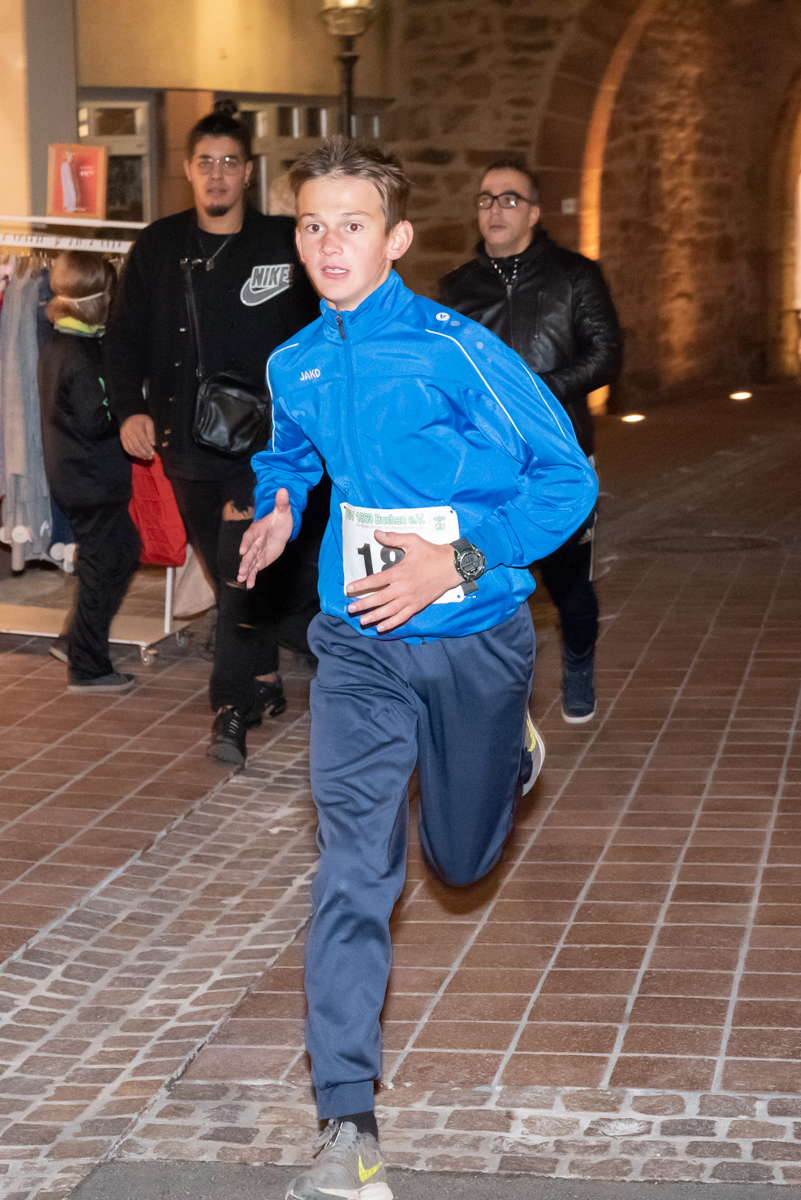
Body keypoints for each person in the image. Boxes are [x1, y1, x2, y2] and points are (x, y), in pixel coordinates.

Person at [237, 136, 598, 1200]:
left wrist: (459, 559)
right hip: (358, 642)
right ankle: (346, 1121)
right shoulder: (294, 361)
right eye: (311, 224)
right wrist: (280, 503)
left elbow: (566, 481)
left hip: (475, 633)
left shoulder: (457, 350)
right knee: (355, 867)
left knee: (461, 860)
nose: (328, 243)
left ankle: (507, 748)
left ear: (394, 239)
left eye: (351, 224)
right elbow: (290, 448)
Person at [105, 99, 323, 767]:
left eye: (230, 162)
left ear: (249, 171)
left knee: (237, 568)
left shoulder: (282, 243)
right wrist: (129, 409)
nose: (218, 173)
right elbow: (123, 336)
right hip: (185, 442)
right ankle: (263, 674)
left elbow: (324, 328)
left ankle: (229, 707)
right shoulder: (158, 245)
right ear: (188, 170)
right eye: (206, 162)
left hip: (264, 445)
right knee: (226, 569)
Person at [439, 159, 623, 723]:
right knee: (480, 575)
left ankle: (579, 664)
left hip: (557, 459)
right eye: (485, 199)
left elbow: (606, 354)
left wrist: (535, 394)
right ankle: (493, 695)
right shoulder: (457, 288)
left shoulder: (575, 276)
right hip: (485, 463)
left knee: (569, 583)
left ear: (535, 212)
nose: (494, 209)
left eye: (509, 199)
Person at [38, 251, 140, 694]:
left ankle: (74, 642)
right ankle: (88, 666)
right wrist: (135, 405)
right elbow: (97, 420)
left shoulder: (61, 342)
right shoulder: (80, 354)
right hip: (91, 480)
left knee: (119, 554)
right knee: (106, 565)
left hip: (79, 475)